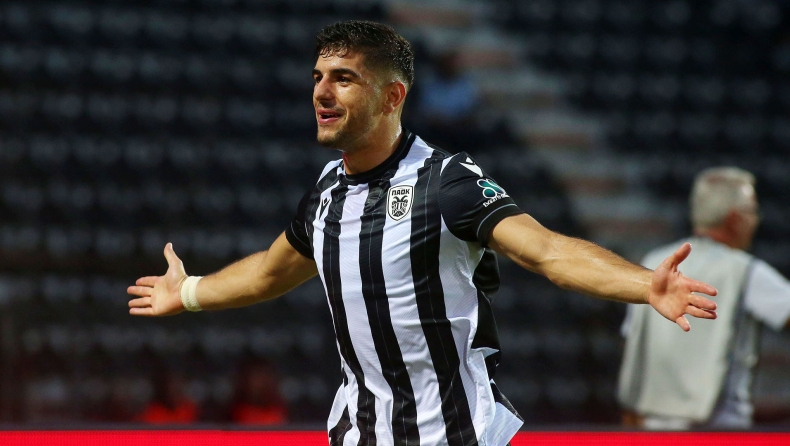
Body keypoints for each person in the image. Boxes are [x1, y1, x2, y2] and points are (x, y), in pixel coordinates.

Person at [127, 20, 718, 446]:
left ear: (392, 96)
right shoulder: (326, 191)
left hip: (455, 433)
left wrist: (645, 285)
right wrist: (190, 291)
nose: (321, 92)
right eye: (318, 76)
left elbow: (546, 251)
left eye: (343, 79)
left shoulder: (447, 181)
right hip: (359, 433)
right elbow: (268, 272)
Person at [617, 167, 790, 430]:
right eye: (752, 211)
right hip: (721, 428)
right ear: (735, 218)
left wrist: (629, 408)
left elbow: (633, 342)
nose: (756, 220)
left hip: (652, 427)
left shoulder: (655, 263)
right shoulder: (744, 271)